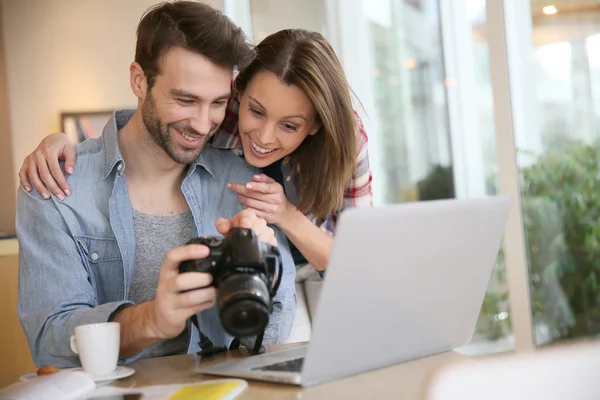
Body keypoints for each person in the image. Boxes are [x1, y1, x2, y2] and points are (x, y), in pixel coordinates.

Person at [16, 1, 296, 369]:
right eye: (185, 100)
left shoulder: (245, 184)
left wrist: (265, 267)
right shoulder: (55, 187)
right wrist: (151, 321)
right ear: (138, 80)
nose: (201, 123)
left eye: (218, 103)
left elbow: (271, 339)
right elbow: (50, 342)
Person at [19, 30, 373, 274]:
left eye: (290, 126)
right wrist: (68, 147)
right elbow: (149, 130)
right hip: (247, 270)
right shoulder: (220, 115)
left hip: (326, 271)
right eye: (256, 111)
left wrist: (286, 214)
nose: (264, 137)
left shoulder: (346, 142)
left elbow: (356, 263)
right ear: (239, 91)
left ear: (314, 125)